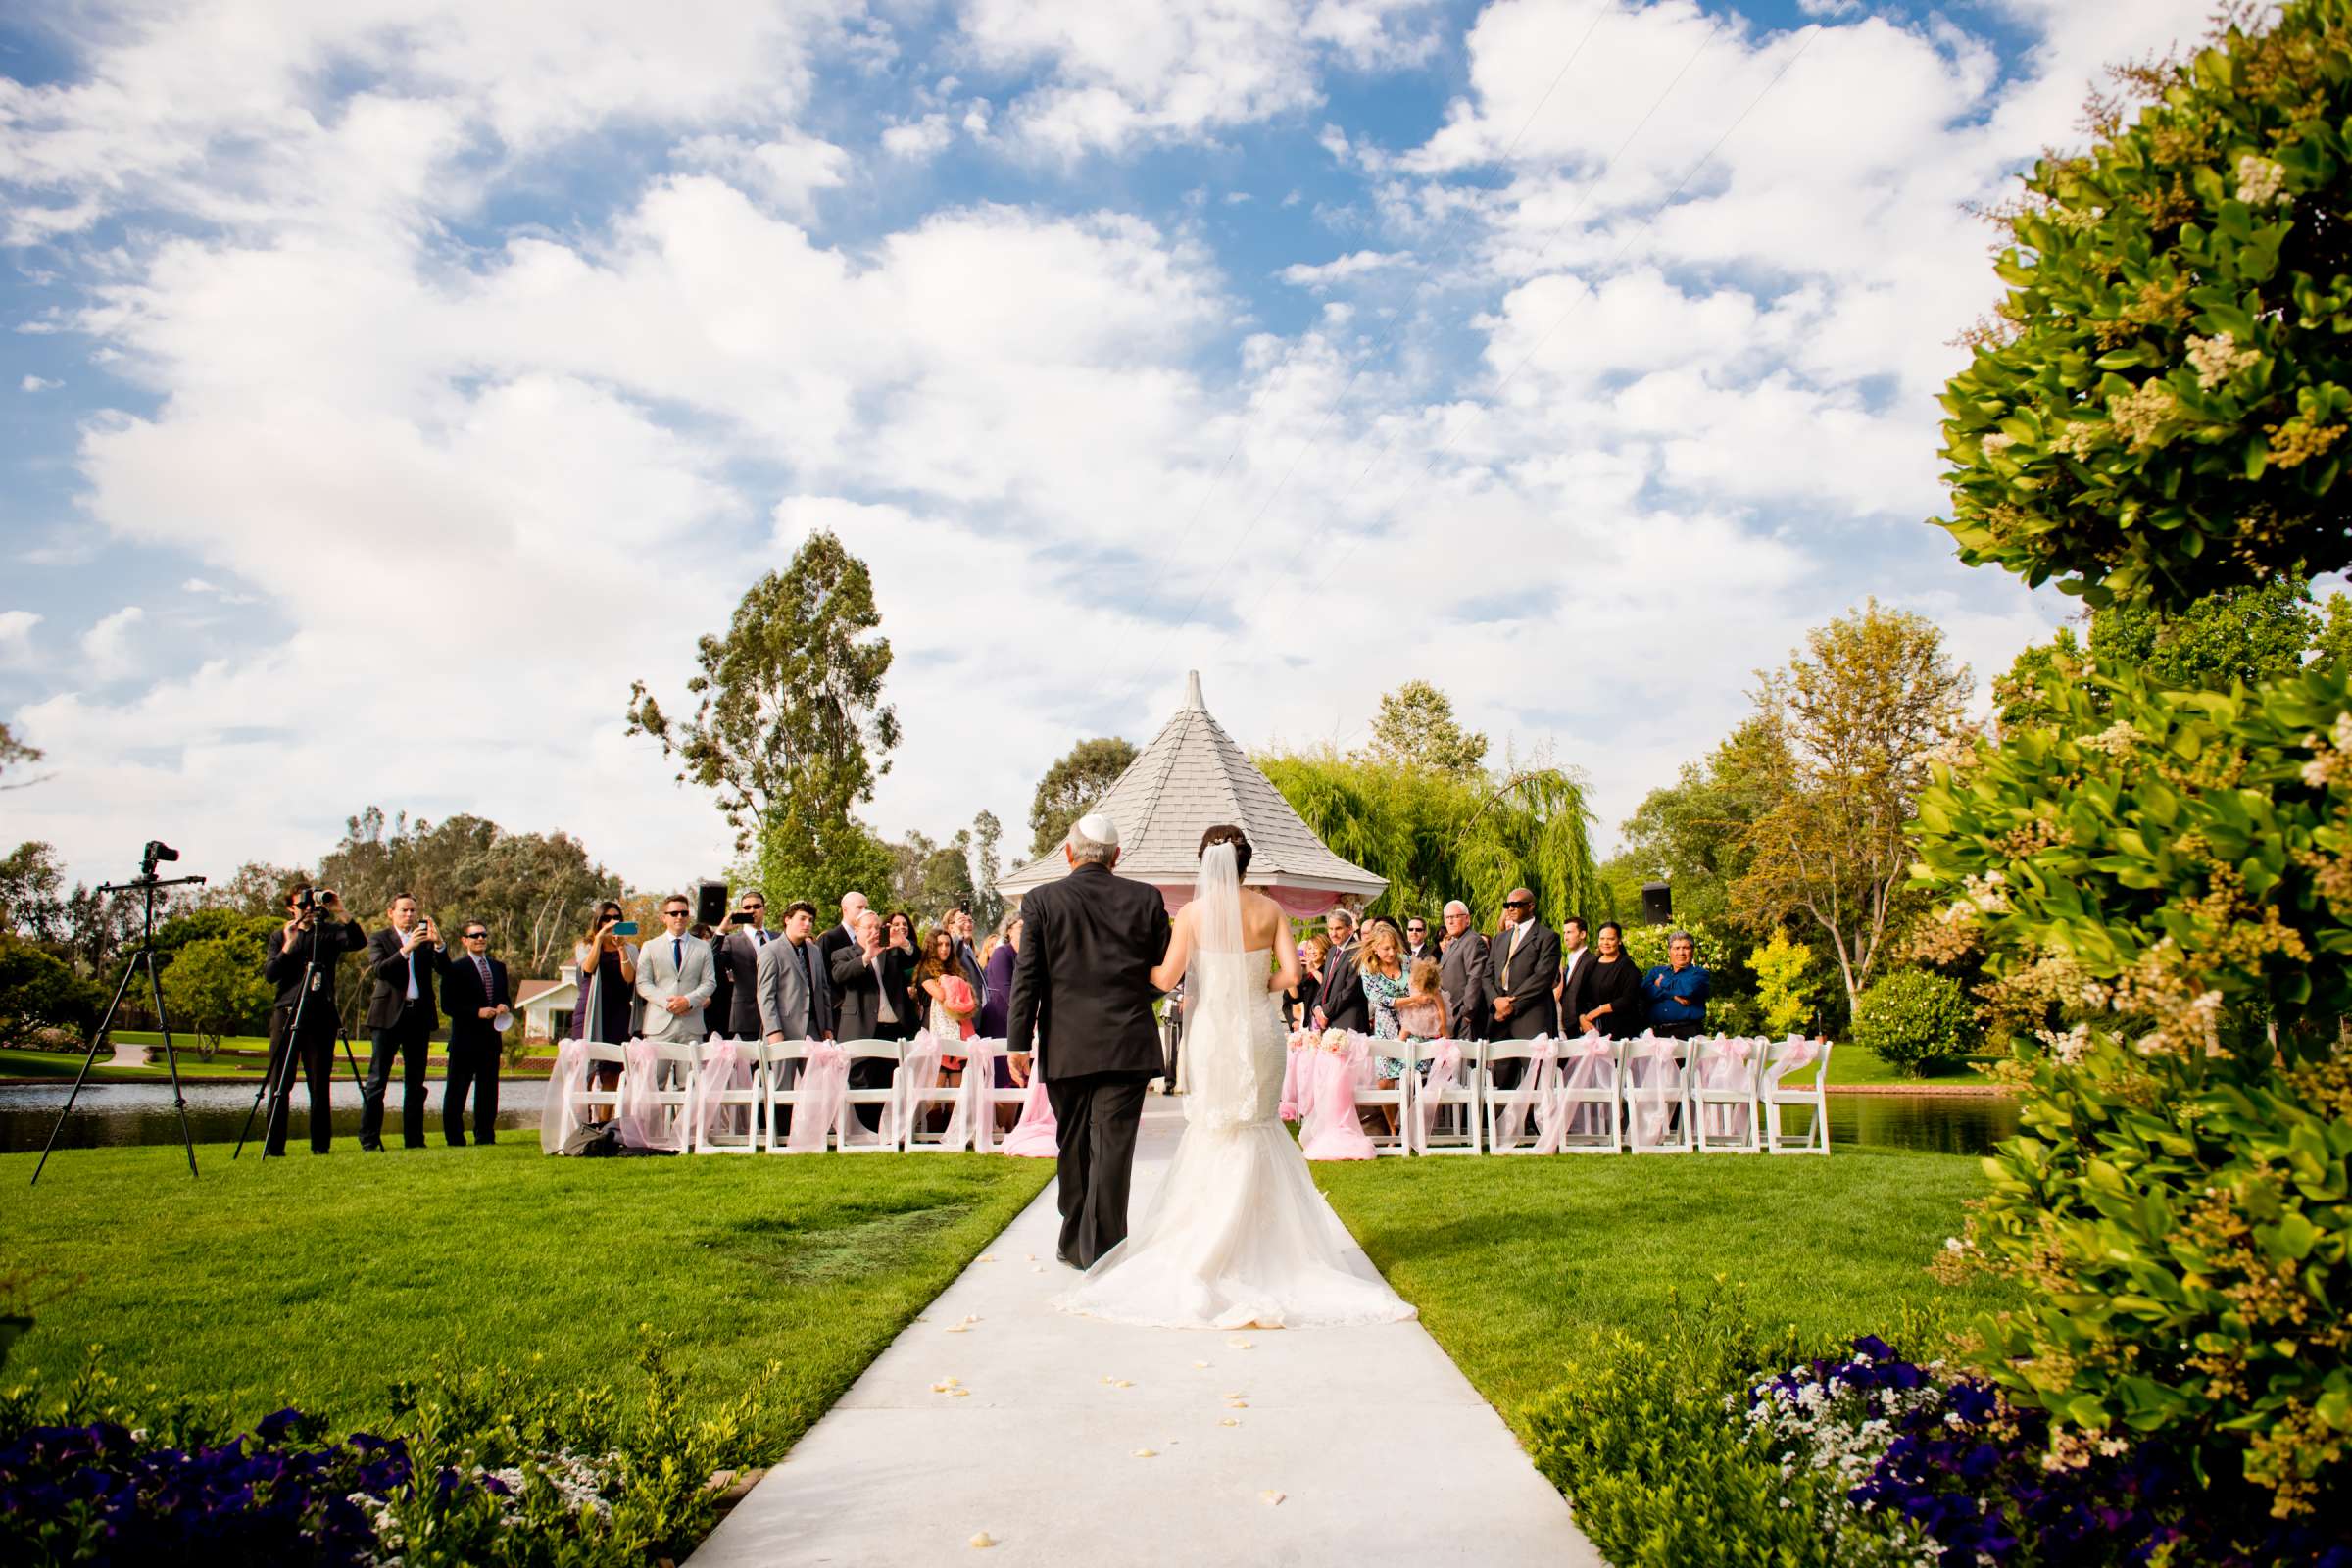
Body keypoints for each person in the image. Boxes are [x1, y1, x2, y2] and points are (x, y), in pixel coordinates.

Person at [1054, 823, 1413, 1330]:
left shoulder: (1194, 915)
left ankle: (1206, 1242)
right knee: (1259, 1124)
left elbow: (1163, 978)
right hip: (1259, 1030)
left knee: (1215, 1127)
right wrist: (1254, 982)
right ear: (1246, 864)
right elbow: (1292, 976)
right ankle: (1271, 1248)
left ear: (1207, 865)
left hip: (1214, 1032)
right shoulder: (1270, 911)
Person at [1007, 812, 1171, 1271]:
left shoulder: (1041, 900)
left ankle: (1078, 1239)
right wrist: (1137, 995)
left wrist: (1017, 1042)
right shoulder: (1146, 898)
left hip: (1067, 1043)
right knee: (1113, 1148)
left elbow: (1028, 977)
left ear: (1068, 853)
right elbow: (1164, 970)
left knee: (1074, 1143)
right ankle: (1102, 1245)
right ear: (1117, 857)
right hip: (1127, 1040)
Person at [262, 884, 366, 1155]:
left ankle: (320, 1146)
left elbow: (358, 942)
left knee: (319, 1084)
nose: (307, 911)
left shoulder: (329, 933)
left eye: (311, 906)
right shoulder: (280, 935)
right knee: (280, 1084)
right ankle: (274, 1148)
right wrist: (288, 944)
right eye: (301, 906)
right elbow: (270, 974)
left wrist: (339, 910)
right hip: (286, 1014)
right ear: (290, 908)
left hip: (321, 1015)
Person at [362, 893, 443, 1151]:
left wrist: (439, 944)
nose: (409, 915)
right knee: (377, 1081)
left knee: (416, 1083)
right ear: (391, 913)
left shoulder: (426, 941)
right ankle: (370, 1140)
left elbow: (446, 970)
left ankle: (414, 1140)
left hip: (417, 1016)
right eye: (404, 911)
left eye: (413, 911)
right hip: (387, 1016)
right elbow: (381, 970)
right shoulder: (379, 939)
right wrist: (406, 949)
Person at [1482, 887, 1560, 1086]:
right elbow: (1487, 976)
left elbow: (1542, 978)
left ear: (1531, 906)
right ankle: (1501, 1118)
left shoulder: (1547, 937)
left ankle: (1537, 1118)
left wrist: (1512, 1005)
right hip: (1500, 1017)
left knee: (1537, 1078)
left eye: (1516, 904)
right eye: (1508, 905)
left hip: (1531, 1015)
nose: (1511, 908)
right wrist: (1497, 1001)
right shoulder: (1500, 938)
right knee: (1502, 1078)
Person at [441, 918, 509, 1146]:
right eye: (475, 935)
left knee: (488, 1093)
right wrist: (476, 1012)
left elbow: (504, 996)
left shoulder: (499, 968)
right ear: (464, 940)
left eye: (483, 935)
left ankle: (485, 1136)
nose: (480, 938)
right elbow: (448, 1005)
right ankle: (454, 1138)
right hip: (464, 1041)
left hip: (491, 1040)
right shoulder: (455, 968)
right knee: (457, 1092)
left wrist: (503, 1006)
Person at [572, 901, 637, 1117]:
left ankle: (604, 1121)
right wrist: (599, 940)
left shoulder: (630, 948)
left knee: (613, 1070)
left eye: (616, 918)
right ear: (598, 922)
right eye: (606, 919)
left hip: (618, 1010)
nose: (612, 922)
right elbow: (588, 968)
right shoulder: (585, 945)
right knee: (587, 1067)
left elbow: (629, 978)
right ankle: (585, 1119)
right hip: (590, 1009)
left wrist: (620, 949)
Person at [636, 893, 716, 1042]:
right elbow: (642, 983)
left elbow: (710, 982)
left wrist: (687, 1001)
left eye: (684, 913)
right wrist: (668, 1003)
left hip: (692, 1024)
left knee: (693, 1066)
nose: (679, 917)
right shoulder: (650, 946)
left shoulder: (703, 947)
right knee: (654, 1067)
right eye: (674, 913)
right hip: (658, 1025)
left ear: (688, 917)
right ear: (664, 917)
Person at [830, 907, 912, 1044]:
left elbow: (915, 958)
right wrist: (867, 957)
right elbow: (839, 975)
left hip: (896, 1030)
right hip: (861, 1031)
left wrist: (904, 943)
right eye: (869, 927)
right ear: (856, 930)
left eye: (878, 927)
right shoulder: (843, 953)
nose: (874, 931)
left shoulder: (891, 950)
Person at [758, 900, 833, 1044]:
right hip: (783, 1030)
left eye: (811, 920)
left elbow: (824, 991)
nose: (807, 924)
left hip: (815, 1030)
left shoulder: (815, 951)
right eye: (802, 919)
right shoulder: (770, 950)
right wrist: (773, 1030)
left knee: (815, 1068)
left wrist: (828, 1026)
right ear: (788, 920)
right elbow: (765, 995)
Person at [916, 925, 975, 1082]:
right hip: (934, 1032)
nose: (944, 948)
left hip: (959, 1032)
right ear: (931, 947)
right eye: (939, 944)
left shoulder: (957, 970)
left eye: (947, 944)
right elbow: (941, 995)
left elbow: (968, 998)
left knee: (956, 1094)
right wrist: (955, 984)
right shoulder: (925, 970)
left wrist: (951, 981)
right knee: (935, 1094)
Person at [1358, 919, 1410, 1083]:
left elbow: (1422, 985)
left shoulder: (1407, 961)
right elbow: (1377, 999)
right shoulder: (1367, 968)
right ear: (1375, 947)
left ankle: (1409, 1109)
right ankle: (1391, 1110)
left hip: (1412, 1023)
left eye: (1394, 947)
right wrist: (1412, 999)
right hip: (1386, 1026)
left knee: (1413, 1073)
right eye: (1386, 948)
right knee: (1386, 1076)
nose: (1392, 952)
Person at [716, 891, 772, 1041]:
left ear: (764, 909)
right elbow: (713, 963)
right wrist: (721, 931)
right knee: (750, 1064)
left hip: (778, 1015)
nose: (752, 910)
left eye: (756, 906)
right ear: (741, 911)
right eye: (747, 907)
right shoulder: (731, 941)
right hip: (747, 1017)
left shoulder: (779, 938)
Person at [1576, 921, 1645, 1038]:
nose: (1605, 942)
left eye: (1611, 939)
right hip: (1593, 1029)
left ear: (1619, 940)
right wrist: (1582, 1018)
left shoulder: (1627, 966)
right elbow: (1580, 997)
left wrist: (1600, 1010)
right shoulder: (1591, 965)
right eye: (1602, 938)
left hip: (1620, 1029)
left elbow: (1629, 999)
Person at [1643, 931, 1711, 1039]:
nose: (1681, 952)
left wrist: (1661, 982)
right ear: (1669, 951)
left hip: (1688, 1033)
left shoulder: (1699, 974)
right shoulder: (1656, 972)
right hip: (1657, 1034)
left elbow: (1688, 989)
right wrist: (1673, 996)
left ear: (1692, 951)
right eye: (1676, 948)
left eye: (1686, 948)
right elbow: (1644, 992)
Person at [1438, 899, 1489, 1041]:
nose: (1450, 922)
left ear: (1467, 919)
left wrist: (1467, 1013)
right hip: (1452, 1014)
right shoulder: (1453, 943)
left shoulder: (1473, 941)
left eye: (1455, 917)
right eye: (1447, 918)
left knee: (1468, 1062)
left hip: (1466, 1018)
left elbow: (1475, 978)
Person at [1314, 908, 1368, 1033]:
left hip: (1349, 1022)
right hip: (1329, 1022)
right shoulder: (1331, 951)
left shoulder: (1359, 952)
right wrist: (1316, 1008)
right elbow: (1325, 985)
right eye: (1330, 929)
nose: (1333, 933)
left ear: (1350, 929)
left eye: (1338, 928)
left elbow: (1350, 990)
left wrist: (1325, 1013)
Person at [978, 916, 1020, 1039]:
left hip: (1017, 1018)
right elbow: (1006, 989)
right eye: (1021, 926)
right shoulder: (1002, 953)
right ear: (1009, 931)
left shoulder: (1026, 955)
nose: (1026, 929)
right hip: (1000, 1018)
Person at [1554, 916, 1594, 1033]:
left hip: (1583, 1024)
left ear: (1582, 934)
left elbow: (1593, 994)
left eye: (1570, 932)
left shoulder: (1591, 961)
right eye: (1564, 933)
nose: (1565, 937)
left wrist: (1585, 1017)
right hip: (1567, 1023)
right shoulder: (1569, 962)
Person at [817, 890, 868, 974]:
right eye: (859, 907)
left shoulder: (869, 936)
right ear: (845, 909)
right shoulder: (828, 938)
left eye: (866, 908)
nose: (864, 912)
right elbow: (824, 975)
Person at [1288, 933, 1326, 1031]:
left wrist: (1313, 970)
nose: (1312, 951)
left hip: (1325, 1022)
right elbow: (1296, 999)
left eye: (1316, 947)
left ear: (1324, 949)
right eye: (1309, 948)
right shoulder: (1306, 976)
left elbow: (1329, 986)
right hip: (1310, 1025)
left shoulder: (1328, 970)